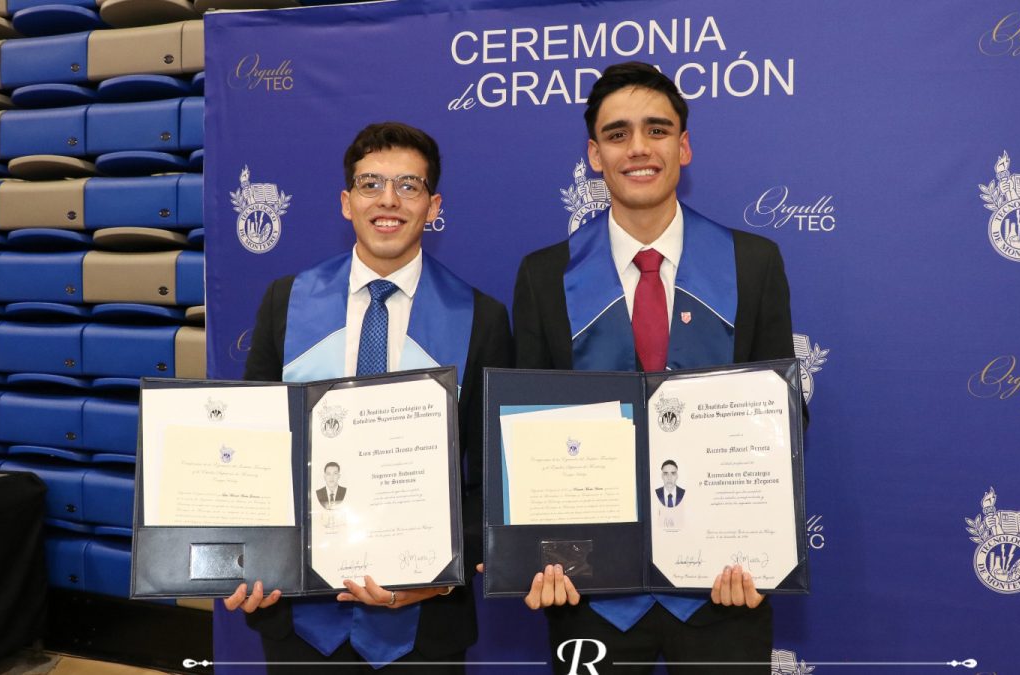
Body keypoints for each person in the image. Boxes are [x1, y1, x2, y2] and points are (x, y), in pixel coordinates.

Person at [512, 62, 800, 674]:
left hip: (726, 587)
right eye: (617, 134)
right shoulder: (543, 276)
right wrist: (538, 557)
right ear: (594, 155)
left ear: (684, 145)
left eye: (657, 129)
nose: (638, 148)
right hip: (590, 594)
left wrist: (759, 549)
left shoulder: (753, 263)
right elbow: (527, 429)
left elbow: (782, 420)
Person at [224, 122, 512, 673]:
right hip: (299, 618)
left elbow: (490, 482)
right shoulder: (287, 303)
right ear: (345, 201)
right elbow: (251, 454)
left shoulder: (481, 319)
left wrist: (436, 580)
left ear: (433, 206)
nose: (388, 200)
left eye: (409, 186)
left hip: (426, 624)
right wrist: (241, 562)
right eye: (370, 184)